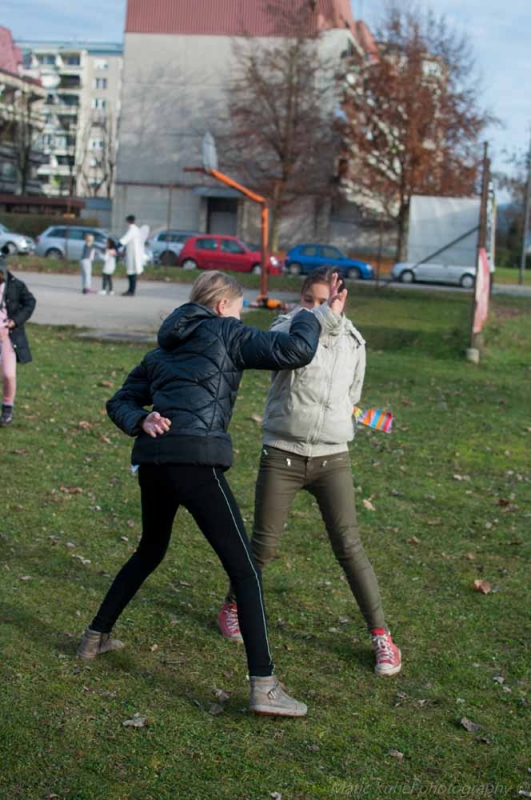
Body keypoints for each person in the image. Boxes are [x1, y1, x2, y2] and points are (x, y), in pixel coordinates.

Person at [77, 270, 344, 716]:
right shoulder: (226, 331)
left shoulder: (162, 348)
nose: (240, 317)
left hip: (154, 464)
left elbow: (119, 400)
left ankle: (94, 637)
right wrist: (311, 314)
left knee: (149, 550)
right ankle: (264, 686)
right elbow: (296, 351)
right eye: (239, 309)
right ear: (222, 306)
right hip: (196, 463)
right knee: (246, 571)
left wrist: (140, 420)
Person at [218, 267, 402, 677]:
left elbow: (353, 394)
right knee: (263, 545)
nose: (316, 307)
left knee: (349, 547)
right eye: (309, 300)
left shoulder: (354, 342)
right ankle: (232, 606)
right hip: (283, 452)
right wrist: (320, 316)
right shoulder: (284, 329)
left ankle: (381, 636)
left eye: (324, 300)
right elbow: (285, 350)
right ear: (299, 300)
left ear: (342, 299)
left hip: (332, 457)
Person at [0, 246, 37, 427]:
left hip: (8, 336)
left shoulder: (15, 285)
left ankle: (7, 409)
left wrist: (15, 321)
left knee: (8, 374)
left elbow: (30, 302)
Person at [119, 215, 144, 296]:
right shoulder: (135, 229)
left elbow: (125, 239)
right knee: (131, 272)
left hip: (133, 254)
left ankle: (131, 291)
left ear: (128, 221)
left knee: (131, 272)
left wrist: (116, 246)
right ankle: (130, 290)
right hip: (132, 253)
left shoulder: (132, 229)